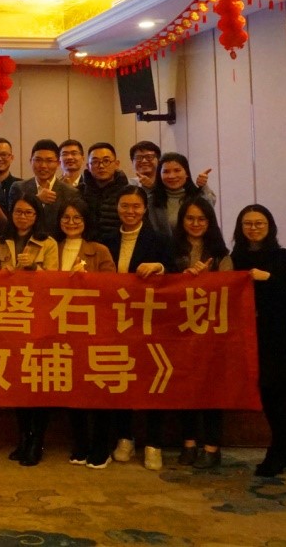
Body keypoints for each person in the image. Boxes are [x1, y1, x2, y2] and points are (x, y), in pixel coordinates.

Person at [230, 204, 286, 477]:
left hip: (278, 336)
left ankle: (280, 448)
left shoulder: (283, 257)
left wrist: (269, 278)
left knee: (277, 391)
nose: (253, 228)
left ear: (269, 226)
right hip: (249, 336)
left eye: (259, 223)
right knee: (265, 391)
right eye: (247, 224)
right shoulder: (234, 258)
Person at [101, 184, 173, 471]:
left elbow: (175, 274)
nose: (130, 211)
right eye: (125, 206)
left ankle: (154, 443)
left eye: (136, 206)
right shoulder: (107, 240)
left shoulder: (159, 239)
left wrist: (159, 267)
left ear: (144, 209)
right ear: (117, 208)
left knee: (152, 379)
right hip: (115, 321)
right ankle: (124, 437)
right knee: (121, 377)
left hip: (149, 321)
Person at [53, 197, 117, 468]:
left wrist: (87, 279)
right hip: (61, 327)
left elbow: (112, 288)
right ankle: (80, 443)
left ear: (86, 221)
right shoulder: (52, 248)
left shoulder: (99, 250)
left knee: (98, 386)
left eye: (77, 218)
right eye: (66, 218)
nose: (71, 223)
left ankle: (102, 446)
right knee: (72, 386)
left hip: (94, 328)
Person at [0, 193, 59, 466]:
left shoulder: (48, 242)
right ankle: (23, 437)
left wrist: (34, 268)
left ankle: (37, 440)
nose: (23, 217)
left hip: (39, 315)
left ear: (37, 216)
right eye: (18, 212)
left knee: (38, 379)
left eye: (28, 213)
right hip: (10, 315)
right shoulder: (0, 241)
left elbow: (55, 278)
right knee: (19, 380)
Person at [172, 195, 231, 470]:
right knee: (184, 387)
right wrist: (182, 278)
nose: (195, 224)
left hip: (212, 332)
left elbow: (229, 289)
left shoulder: (220, 254)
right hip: (179, 330)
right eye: (190, 218)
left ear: (210, 222)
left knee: (211, 388)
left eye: (201, 219)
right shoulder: (172, 251)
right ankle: (188, 443)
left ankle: (212, 446)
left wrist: (207, 280)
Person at [10, 139, 78, 232]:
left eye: (49, 161)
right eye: (38, 160)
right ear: (31, 161)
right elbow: (12, 221)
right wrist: (37, 200)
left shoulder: (70, 192)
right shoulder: (18, 187)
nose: (43, 165)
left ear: (58, 163)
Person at [147, 152, 216, 236]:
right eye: (166, 171)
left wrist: (204, 186)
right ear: (159, 175)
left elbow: (210, 206)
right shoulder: (152, 200)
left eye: (177, 170)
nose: (172, 176)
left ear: (186, 173)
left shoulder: (197, 196)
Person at [80, 142, 129, 241]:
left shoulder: (128, 193)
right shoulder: (79, 192)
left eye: (106, 161)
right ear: (88, 166)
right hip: (87, 247)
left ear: (116, 164)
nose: (101, 166)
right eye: (95, 162)